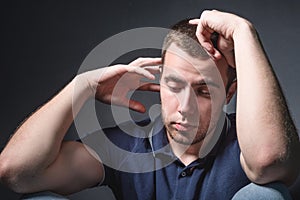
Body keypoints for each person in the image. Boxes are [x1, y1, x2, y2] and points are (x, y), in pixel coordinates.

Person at [0, 9, 299, 200]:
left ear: (230, 93)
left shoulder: (249, 146)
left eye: (204, 92)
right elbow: (17, 173)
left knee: (264, 196)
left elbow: (268, 161)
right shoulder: (128, 148)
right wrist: (82, 87)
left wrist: (244, 33)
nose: (185, 107)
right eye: (173, 85)